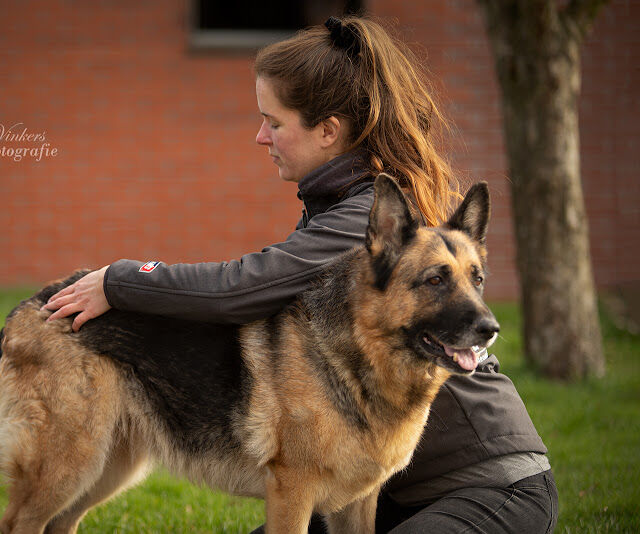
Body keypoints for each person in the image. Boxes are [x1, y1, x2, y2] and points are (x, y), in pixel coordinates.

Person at [43, 15, 558, 533]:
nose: (260, 137)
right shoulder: (343, 203)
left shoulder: (363, 220)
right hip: (385, 487)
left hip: (486, 482)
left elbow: (241, 286)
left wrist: (122, 279)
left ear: (328, 131)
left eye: (274, 121)